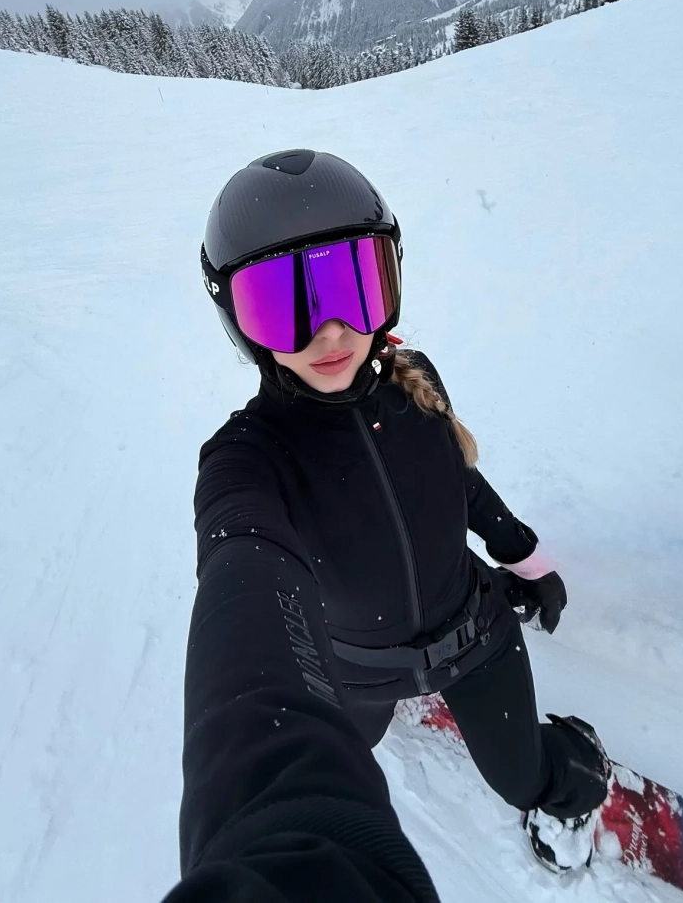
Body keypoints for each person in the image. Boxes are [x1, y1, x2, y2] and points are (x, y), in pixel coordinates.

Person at [165, 148, 610, 901]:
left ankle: (577, 772)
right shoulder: (249, 457)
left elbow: (457, 481)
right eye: (281, 301)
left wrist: (523, 555)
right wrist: (271, 815)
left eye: (353, 286)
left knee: (525, 776)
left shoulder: (416, 379)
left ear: (390, 282)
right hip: (351, 674)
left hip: (477, 638)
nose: (331, 331)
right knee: (347, 753)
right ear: (238, 321)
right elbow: (244, 566)